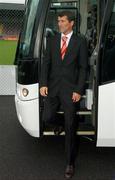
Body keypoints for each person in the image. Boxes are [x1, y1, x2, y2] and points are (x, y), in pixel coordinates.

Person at [39, 11, 88, 179]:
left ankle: (69, 163)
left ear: (71, 23)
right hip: (52, 88)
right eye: (58, 21)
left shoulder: (80, 42)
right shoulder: (52, 41)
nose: (59, 24)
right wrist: (43, 83)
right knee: (47, 118)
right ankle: (58, 124)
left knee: (70, 127)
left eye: (62, 21)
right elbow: (46, 64)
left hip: (70, 91)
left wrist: (78, 90)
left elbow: (83, 68)